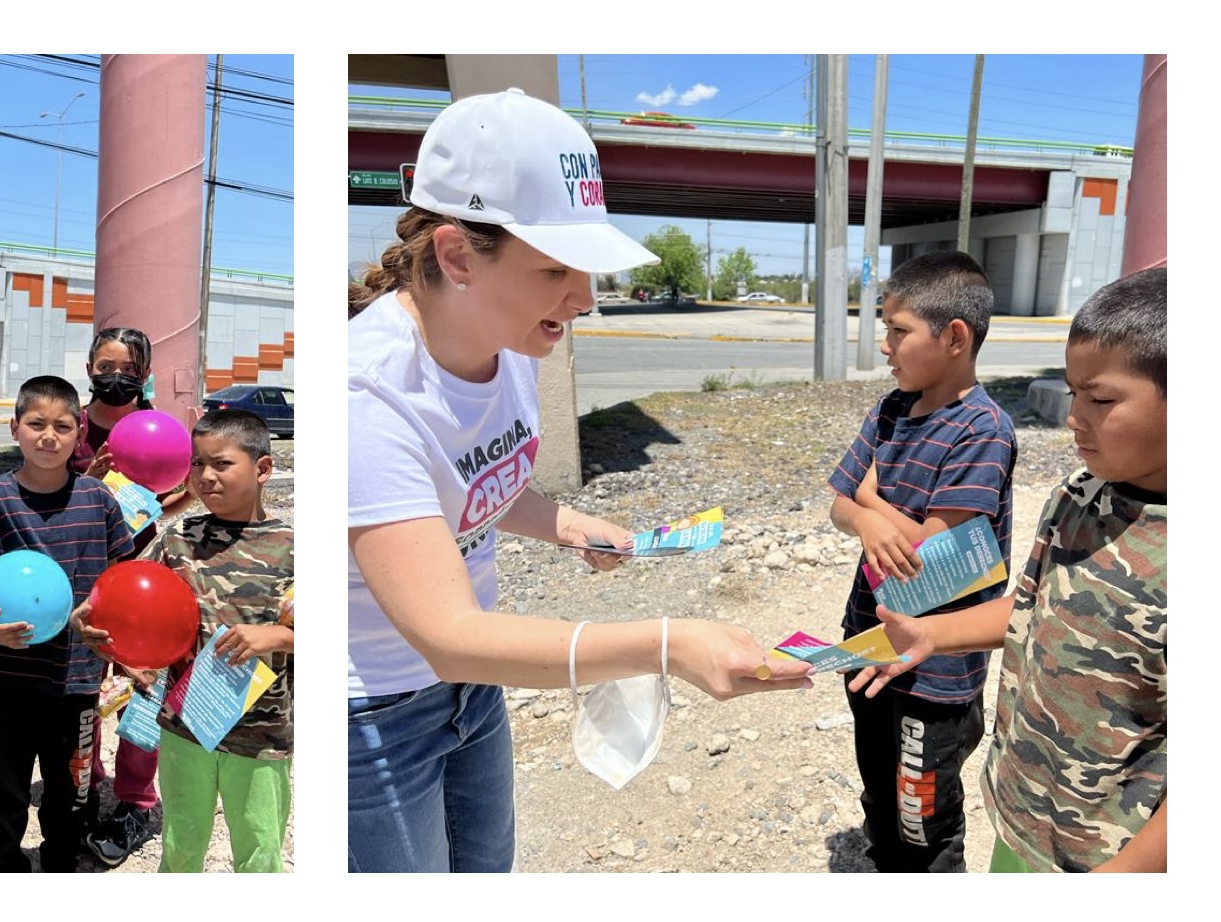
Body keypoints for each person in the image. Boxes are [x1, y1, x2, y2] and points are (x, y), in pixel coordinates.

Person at [344, 88, 812, 873]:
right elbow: (448, 635)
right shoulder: (365, 394)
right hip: (374, 717)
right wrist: (666, 644)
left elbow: (465, 488)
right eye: (555, 268)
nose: (585, 299)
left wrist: (566, 524)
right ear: (457, 256)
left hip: (471, 695)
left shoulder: (516, 342)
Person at [849, 267, 1166, 873]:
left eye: (1100, 399)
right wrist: (932, 634)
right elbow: (1033, 602)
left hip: (1111, 856)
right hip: (1023, 818)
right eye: (1072, 394)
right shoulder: (1080, 495)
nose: (1075, 417)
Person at [825, 250, 1016, 873]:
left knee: (924, 819)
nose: (885, 346)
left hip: (933, 672)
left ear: (954, 337)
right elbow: (838, 506)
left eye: (897, 331)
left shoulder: (981, 430)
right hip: (870, 643)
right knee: (880, 791)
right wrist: (863, 510)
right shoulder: (890, 410)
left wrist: (870, 498)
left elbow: (935, 563)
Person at [76, 408, 295, 872]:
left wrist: (277, 634)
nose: (206, 476)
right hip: (184, 728)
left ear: (263, 469)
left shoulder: (293, 546)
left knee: (259, 854)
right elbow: (125, 600)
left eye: (221, 463)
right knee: (180, 846)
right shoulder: (179, 539)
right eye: (197, 464)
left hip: (260, 736)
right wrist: (99, 633)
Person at [0, 375, 134, 872]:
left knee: (71, 784)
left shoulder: (98, 501)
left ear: (79, 433)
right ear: (15, 427)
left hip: (78, 676)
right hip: (11, 671)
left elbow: (120, 579)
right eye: (36, 424)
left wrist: (120, 648)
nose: (48, 436)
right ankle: (5, 861)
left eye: (62, 426)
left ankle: (62, 860)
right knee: (8, 782)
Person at [72, 326, 194, 866]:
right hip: (79, 580)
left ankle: (135, 802)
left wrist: (171, 504)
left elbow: (178, 493)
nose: (114, 377)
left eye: (126, 369)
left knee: (142, 691)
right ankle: (87, 784)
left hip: (144, 579)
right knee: (83, 693)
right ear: (90, 367)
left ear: (144, 375)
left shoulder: (163, 430)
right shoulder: (70, 426)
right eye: (105, 366)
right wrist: (89, 483)